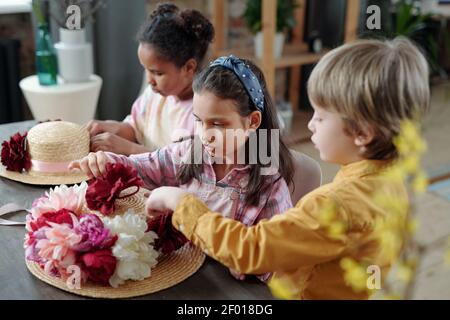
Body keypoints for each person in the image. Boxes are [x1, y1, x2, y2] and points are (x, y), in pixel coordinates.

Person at [143, 38, 430, 299]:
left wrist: (180, 203)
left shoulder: (333, 205)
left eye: (320, 115)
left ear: (363, 133)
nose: (310, 124)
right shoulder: (392, 184)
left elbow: (250, 250)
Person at [70, 56, 295, 281]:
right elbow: (144, 167)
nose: (205, 135)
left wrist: (248, 263)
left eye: (218, 124)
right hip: (181, 275)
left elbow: (278, 265)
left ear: (253, 121)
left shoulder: (270, 187)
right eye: (199, 120)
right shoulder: (189, 152)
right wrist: (105, 161)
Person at [86, 3, 214, 155]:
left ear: (188, 68)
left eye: (157, 73)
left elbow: (179, 169)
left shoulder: (201, 115)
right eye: (145, 69)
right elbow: (136, 129)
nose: (149, 80)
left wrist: (129, 148)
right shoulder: (154, 94)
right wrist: (109, 128)